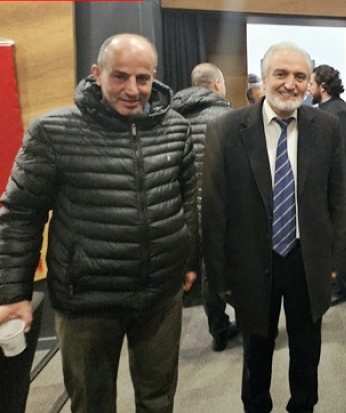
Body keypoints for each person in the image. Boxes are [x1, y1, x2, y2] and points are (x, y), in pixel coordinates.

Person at [0, 33, 199, 412]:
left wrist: (188, 260)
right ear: (97, 73)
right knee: (93, 404)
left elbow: (187, 201)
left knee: (158, 401)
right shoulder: (52, 132)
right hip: (87, 301)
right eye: (119, 76)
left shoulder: (176, 128)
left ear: (154, 77)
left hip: (159, 296)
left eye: (142, 78)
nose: (132, 89)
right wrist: (12, 293)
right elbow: (21, 215)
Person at [202, 42, 346, 413]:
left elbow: (338, 198)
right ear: (264, 78)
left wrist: (335, 260)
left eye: (299, 76)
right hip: (252, 262)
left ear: (309, 83)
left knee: (307, 354)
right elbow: (214, 208)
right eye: (281, 74)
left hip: (306, 260)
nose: (289, 83)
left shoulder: (326, 128)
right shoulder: (226, 130)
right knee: (256, 355)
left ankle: (303, 407)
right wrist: (218, 275)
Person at [172, 62, 239, 352]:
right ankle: (248, 323)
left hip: (185, 210)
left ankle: (218, 330)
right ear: (217, 85)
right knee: (233, 269)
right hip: (221, 208)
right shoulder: (229, 118)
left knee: (203, 270)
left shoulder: (172, 119)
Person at [308, 64, 346, 306]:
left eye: (311, 84)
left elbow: (340, 153)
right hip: (328, 184)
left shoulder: (338, 112)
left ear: (323, 87)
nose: (308, 89)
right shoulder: (328, 109)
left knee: (338, 238)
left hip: (338, 185)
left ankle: (344, 287)